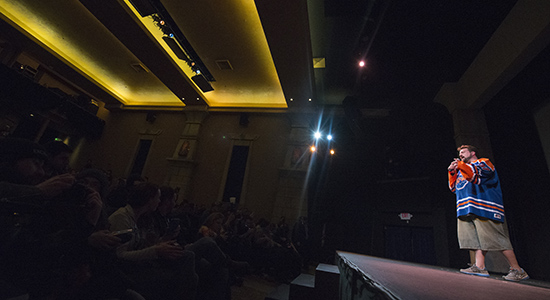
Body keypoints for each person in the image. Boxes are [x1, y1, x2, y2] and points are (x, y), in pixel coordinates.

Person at [448, 144, 529, 281]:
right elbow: (454, 188)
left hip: (485, 206)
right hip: (467, 207)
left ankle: (518, 270)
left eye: (464, 152)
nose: (461, 154)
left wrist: (460, 165)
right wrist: (452, 172)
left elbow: (476, 176)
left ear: (473, 153)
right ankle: (480, 267)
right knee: (475, 240)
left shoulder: (483, 163)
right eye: (460, 153)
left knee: (497, 238)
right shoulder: (462, 169)